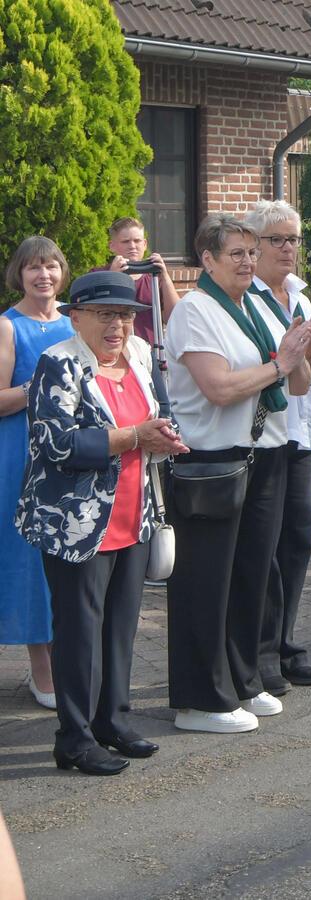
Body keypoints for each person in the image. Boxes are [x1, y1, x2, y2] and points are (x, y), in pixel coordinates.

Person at [17, 271, 188, 775]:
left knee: (119, 628)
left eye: (126, 315)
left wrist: (164, 436)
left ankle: (112, 721)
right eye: (106, 315)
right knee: (78, 633)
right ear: (77, 317)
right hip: (76, 523)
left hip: (134, 515)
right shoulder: (58, 363)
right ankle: (74, 737)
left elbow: (159, 413)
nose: (119, 326)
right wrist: (135, 436)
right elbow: (57, 443)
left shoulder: (137, 359)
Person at [164, 214, 311, 733]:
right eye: (237, 253)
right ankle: (199, 698)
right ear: (206, 259)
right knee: (207, 581)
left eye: (251, 253)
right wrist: (281, 362)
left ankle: (241, 680)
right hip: (211, 460)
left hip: (267, 452)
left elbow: (296, 387)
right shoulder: (195, 311)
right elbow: (220, 387)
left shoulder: (255, 304)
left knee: (251, 575)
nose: (249, 262)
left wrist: (301, 354)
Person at [247, 200, 311, 695]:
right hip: (266, 435)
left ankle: (286, 642)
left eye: (294, 240)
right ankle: (262, 651)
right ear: (256, 246)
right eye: (278, 240)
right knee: (266, 546)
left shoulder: (300, 297)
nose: (288, 249)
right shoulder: (248, 298)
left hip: (303, 433)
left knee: (298, 539)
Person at [1, 236, 75, 710]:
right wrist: (37, 389)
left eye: (50, 266)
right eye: (33, 268)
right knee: (30, 560)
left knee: (67, 556)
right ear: (19, 274)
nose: (43, 275)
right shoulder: (7, 327)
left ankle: (70, 657)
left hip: (69, 456)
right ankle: (40, 669)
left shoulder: (74, 323)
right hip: (20, 456)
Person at [99, 216, 180, 342]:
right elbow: (95, 313)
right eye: (125, 241)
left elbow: (175, 317)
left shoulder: (154, 278)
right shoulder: (98, 275)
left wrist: (164, 275)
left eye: (137, 241)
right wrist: (113, 277)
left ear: (145, 244)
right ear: (112, 246)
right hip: (112, 351)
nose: (132, 246)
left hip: (150, 353)